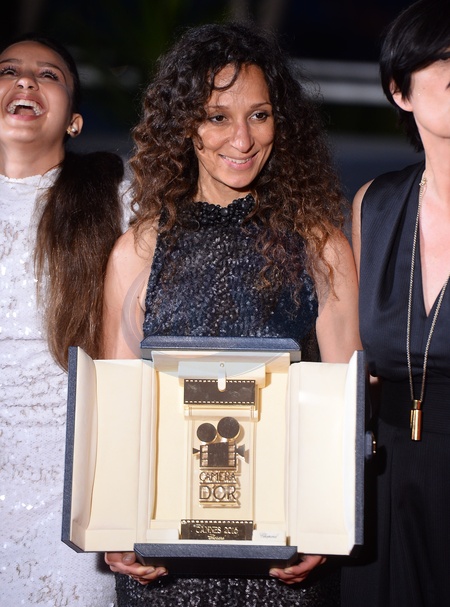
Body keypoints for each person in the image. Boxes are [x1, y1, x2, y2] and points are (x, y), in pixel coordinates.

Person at [102, 21, 360, 607]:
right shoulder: (138, 249)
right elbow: (117, 411)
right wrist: (115, 525)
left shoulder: (319, 244)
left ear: (281, 122)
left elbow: (343, 401)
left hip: (284, 548)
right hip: (165, 554)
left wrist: (325, 522)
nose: (242, 139)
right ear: (184, 125)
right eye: (218, 116)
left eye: (259, 115)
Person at [0, 33, 131, 606]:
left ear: (74, 122)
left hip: (73, 485)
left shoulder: (116, 199)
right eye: (8, 71)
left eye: (48, 74)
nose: (25, 80)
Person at [341, 1, 450, 605]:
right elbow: (353, 369)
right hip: (383, 485)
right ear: (399, 90)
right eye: (442, 58)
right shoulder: (374, 205)